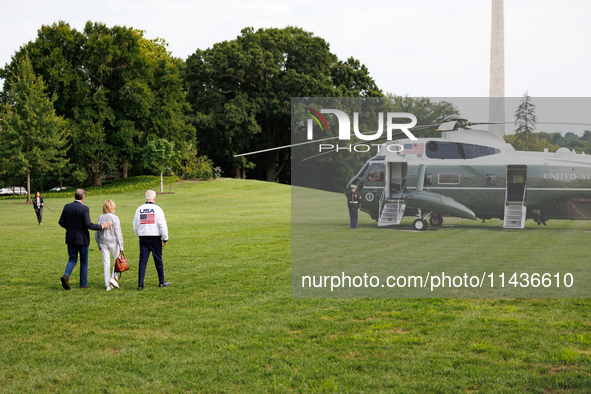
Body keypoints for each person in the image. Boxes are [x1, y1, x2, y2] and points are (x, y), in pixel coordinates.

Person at [58, 189, 111, 290]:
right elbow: (88, 224)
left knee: (72, 259)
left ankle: (66, 276)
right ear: (83, 197)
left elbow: (61, 222)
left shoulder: (67, 207)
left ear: (74, 196)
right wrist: (101, 226)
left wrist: (70, 228)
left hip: (70, 237)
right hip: (82, 238)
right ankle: (83, 284)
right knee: (84, 262)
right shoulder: (84, 208)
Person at [133, 190, 169, 290]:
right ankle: (161, 282)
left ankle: (140, 284)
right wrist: (165, 237)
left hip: (143, 237)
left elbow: (135, 225)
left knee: (142, 261)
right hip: (155, 237)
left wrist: (139, 234)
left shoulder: (139, 209)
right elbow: (162, 225)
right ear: (154, 198)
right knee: (158, 260)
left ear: (145, 198)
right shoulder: (157, 209)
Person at [95, 200, 124, 291]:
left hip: (103, 242)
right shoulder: (115, 218)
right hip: (113, 242)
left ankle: (108, 284)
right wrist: (121, 245)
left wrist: (98, 243)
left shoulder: (100, 218)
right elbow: (118, 233)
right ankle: (113, 278)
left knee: (106, 263)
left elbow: (97, 233)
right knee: (117, 261)